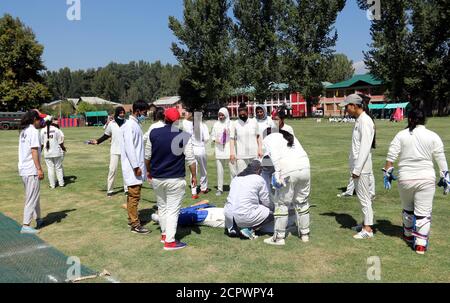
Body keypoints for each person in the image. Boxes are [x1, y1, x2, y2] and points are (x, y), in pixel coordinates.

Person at [383, 108, 449, 255]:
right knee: (423, 213)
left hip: (405, 178)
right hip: (426, 179)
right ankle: (420, 245)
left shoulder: (401, 135)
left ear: (410, 119)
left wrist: (387, 173)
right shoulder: (433, 136)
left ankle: (407, 235)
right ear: (425, 119)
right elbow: (441, 158)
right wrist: (445, 177)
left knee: (408, 208)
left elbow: (391, 157)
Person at [145, 107, 197, 250]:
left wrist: (149, 172)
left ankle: (164, 234)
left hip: (157, 177)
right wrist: (194, 176)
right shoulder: (183, 135)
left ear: (164, 117)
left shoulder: (153, 132)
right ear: (177, 120)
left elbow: (147, 157)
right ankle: (170, 241)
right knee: (173, 210)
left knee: (162, 207)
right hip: (175, 178)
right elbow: (191, 160)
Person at [262, 126, 311, 245]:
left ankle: (279, 238)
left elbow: (274, 156)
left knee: (281, 203)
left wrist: (277, 173)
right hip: (305, 168)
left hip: (288, 170)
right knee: (302, 201)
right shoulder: (289, 136)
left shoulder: (269, 138)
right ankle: (305, 234)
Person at [339, 94, 376, 239]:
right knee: (362, 198)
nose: (346, 110)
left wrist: (357, 169)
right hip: (358, 166)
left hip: (362, 167)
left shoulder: (365, 121)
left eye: (347, 107)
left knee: (364, 198)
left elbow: (365, 148)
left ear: (354, 106)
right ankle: (365, 223)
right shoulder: (360, 120)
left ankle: (368, 229)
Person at [121, 100, 150, 234]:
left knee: (132, 196)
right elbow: (129, 148)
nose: (145, 114)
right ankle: (135, 225)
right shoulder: (129, 126)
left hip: (136, 166)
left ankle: (132, 219)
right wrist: (135, 166)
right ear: (137, 111)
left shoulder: (134, 124)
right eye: (144, 112)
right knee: (134, 196)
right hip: (133, 168)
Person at [224, 160, 273, 240]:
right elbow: (265, 200)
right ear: (257, 170)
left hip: (228, 215)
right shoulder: (259, 179)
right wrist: (272, 207)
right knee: (271, 213)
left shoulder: (236, 178)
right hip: (244, 215)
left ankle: (234, 228)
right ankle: (249, 229)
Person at [18, 110, 47, 234]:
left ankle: (38, 218)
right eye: (39, 119)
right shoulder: (34, 131)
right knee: (32, 197)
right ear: (34, 119)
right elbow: (34, 151)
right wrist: (39, 169)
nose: (41, 121)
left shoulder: (24, 131)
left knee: (35, 195)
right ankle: (26, 225)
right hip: (31, 169)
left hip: (24, 168)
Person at [90, 106, 127, 197]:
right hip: (114, 150)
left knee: (126, 171)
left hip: (125, 151)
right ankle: (110, 190)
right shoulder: (111, 124)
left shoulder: (128, 123)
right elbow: (106, 136)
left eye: (123, 112)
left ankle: (127, 189)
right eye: (120, 112)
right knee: (112, 170)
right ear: (117, 113)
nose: (122, 114)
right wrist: (97, 141)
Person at [182, 111, 210, 197]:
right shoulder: (203, 125)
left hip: (192, 148)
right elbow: (206, 138)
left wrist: (188, 116)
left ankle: (194, 191)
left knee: (193, 171)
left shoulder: (189, 124)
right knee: (203, 170)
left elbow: (184, 121)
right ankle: (203, 188)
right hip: (201, 148)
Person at [230, 103, 263, 175]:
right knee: (242, 177)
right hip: (241, 156)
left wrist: (260, 149)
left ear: (247, 112)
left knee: (255, 176)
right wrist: (232, 153)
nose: (242, 115)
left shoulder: (254, 122)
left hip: (254, 154)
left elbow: (258, 136)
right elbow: (232, 139)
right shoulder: (235, 124)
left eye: (243, 114)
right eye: (240, 114)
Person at [210, 107, 236, 196]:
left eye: (222, 115)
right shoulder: (216, 124)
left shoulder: (231, 124)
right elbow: (212, 136)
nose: (221, 117)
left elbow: (234, 137)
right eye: (219, 115)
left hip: (229, 150)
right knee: (219, 171)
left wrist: (229, 133)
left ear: (226, 115)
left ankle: (233, 187)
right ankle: (220, 189)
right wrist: (217, 140)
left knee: (233, 170)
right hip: (219, 150)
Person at [41, 116, 66, 189]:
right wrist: (63, 148)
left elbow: (42, 144)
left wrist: (40, 152)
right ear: (51, 122)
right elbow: (60, 142)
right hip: (57, 152)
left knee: (50, 169)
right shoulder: (56, 129)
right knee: (58, 168)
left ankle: (52, 185)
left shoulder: (42, 131)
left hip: (47, 152)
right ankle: (61, 184)